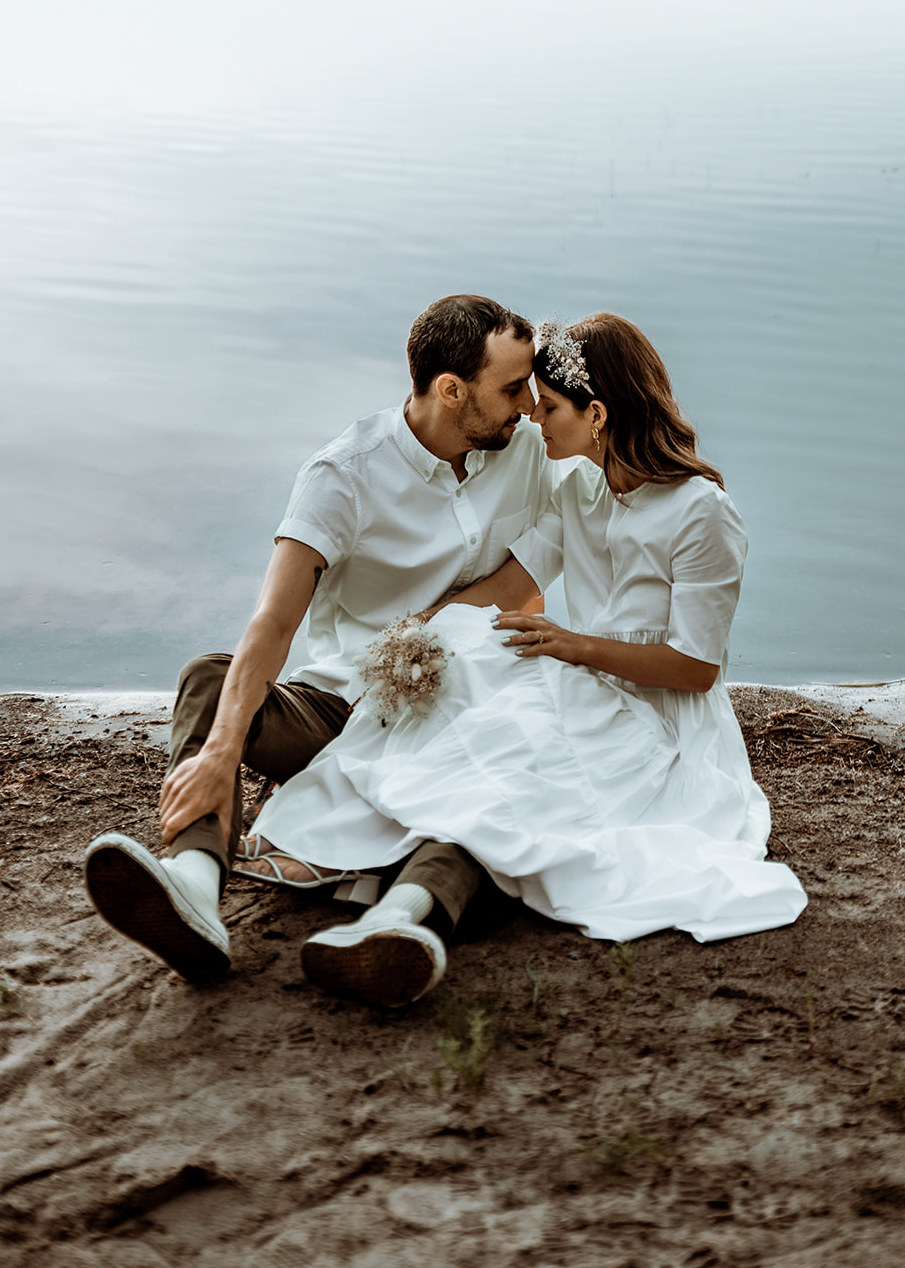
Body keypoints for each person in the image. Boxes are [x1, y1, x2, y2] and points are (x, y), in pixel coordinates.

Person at [246, 314, 807, 1004]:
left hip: (666, 721)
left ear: (597, 413)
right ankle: (387, 907)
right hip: (593, 689)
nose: (535, 423)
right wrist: (418, 631)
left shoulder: (702, 514)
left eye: (549, 408)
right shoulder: (580, 490)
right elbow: (510, 587)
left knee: (520, 765)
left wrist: (572, 646)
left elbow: (696, 668)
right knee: (480, 683)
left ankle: (400, 912)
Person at [83, 294, 553, 997]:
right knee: (209, 677)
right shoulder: (344, 474)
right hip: (341, 707)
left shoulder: (525, 450)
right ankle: (194, 889)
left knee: (503, 761)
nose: (531, 404)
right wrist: (222, 753)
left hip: (464, 708)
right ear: (452, 391)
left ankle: (403, 923)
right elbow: (273, 623)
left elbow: (528, 576)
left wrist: (435, 621)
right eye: (513, 387)